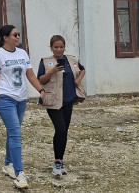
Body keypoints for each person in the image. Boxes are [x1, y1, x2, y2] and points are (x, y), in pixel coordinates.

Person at [0, 25, 46, 190]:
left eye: (19, 34)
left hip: (21, 98)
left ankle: (8, 164)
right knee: (16, 133)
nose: (18, 37)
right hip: (4, 98)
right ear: (5, 37)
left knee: (13, 132)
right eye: (15, 34)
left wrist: (41, 90)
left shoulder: (22, 53)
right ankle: (20, 174)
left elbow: (30, 74)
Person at [37, 35, 86, 177]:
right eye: (55, 47)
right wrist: (52, 71)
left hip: (68, 101)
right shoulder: (46, 62)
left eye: (61, 47)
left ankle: (60, 161)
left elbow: (82, 69)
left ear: (64, 47)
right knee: (60, 129)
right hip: (53, 102)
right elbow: (40, 80)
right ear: (51, 48)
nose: (58, 50)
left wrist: (78, 80)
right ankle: (57, 163)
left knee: (64, 132)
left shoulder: (72, 59)